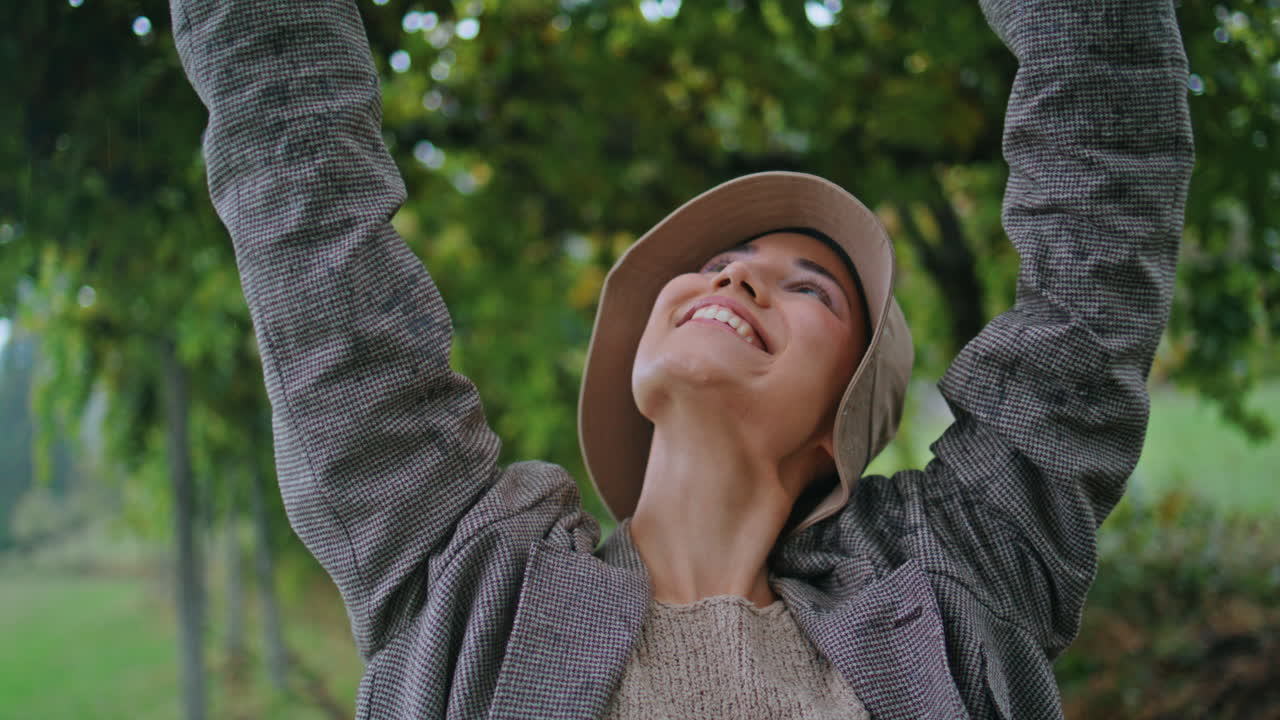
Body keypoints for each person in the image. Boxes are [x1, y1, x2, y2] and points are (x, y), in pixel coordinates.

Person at [171, 0, 1193, 717]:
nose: (734, 281)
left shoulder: (957, 579)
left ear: (849, 415)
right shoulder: (465, 576)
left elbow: (1101, 203)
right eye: (719, 264)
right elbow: (306, 210)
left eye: (808, 287)